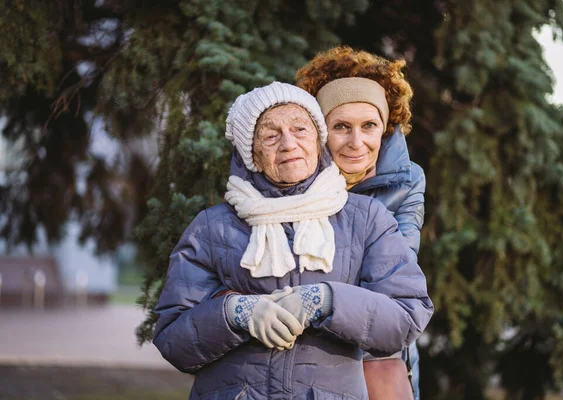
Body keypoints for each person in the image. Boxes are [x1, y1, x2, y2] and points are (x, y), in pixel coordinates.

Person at [153, 81, 433, 399]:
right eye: (271, 135)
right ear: (252, 155)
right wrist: (235, 313)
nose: (289, 144)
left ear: (318, 141)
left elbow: (406, 315)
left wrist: (325, 301)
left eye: (300, 130)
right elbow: (172, 339)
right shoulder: (212, 228)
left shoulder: (367, 219)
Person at [296, 46, 426, 399]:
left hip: (378, 359)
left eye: (369, 126)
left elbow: (393, 279)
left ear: (384, 129)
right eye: (341, 127)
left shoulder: (407, 181)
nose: (357, 143)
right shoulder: (293, 179)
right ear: (321, 131)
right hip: (306, 361)